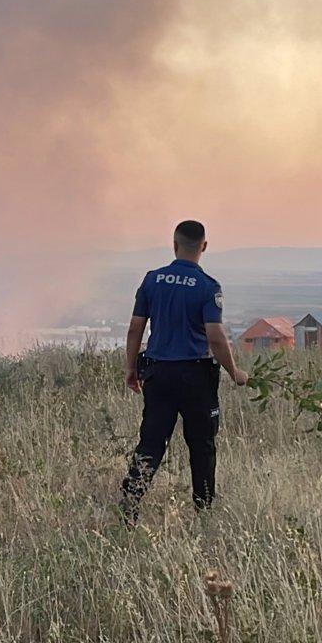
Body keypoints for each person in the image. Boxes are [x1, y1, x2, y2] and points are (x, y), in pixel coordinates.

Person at [120, 220, 248, 525]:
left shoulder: (152, 280)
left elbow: (135, 328)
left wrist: (130, 369)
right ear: (203, 246)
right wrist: (234, 372)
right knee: (202, 445)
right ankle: (204, 511)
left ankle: (130, 502)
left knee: (151, 442)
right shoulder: (207, 286)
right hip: (196, 377)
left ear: (174, 244)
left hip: (158, 374)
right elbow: (215, 337)